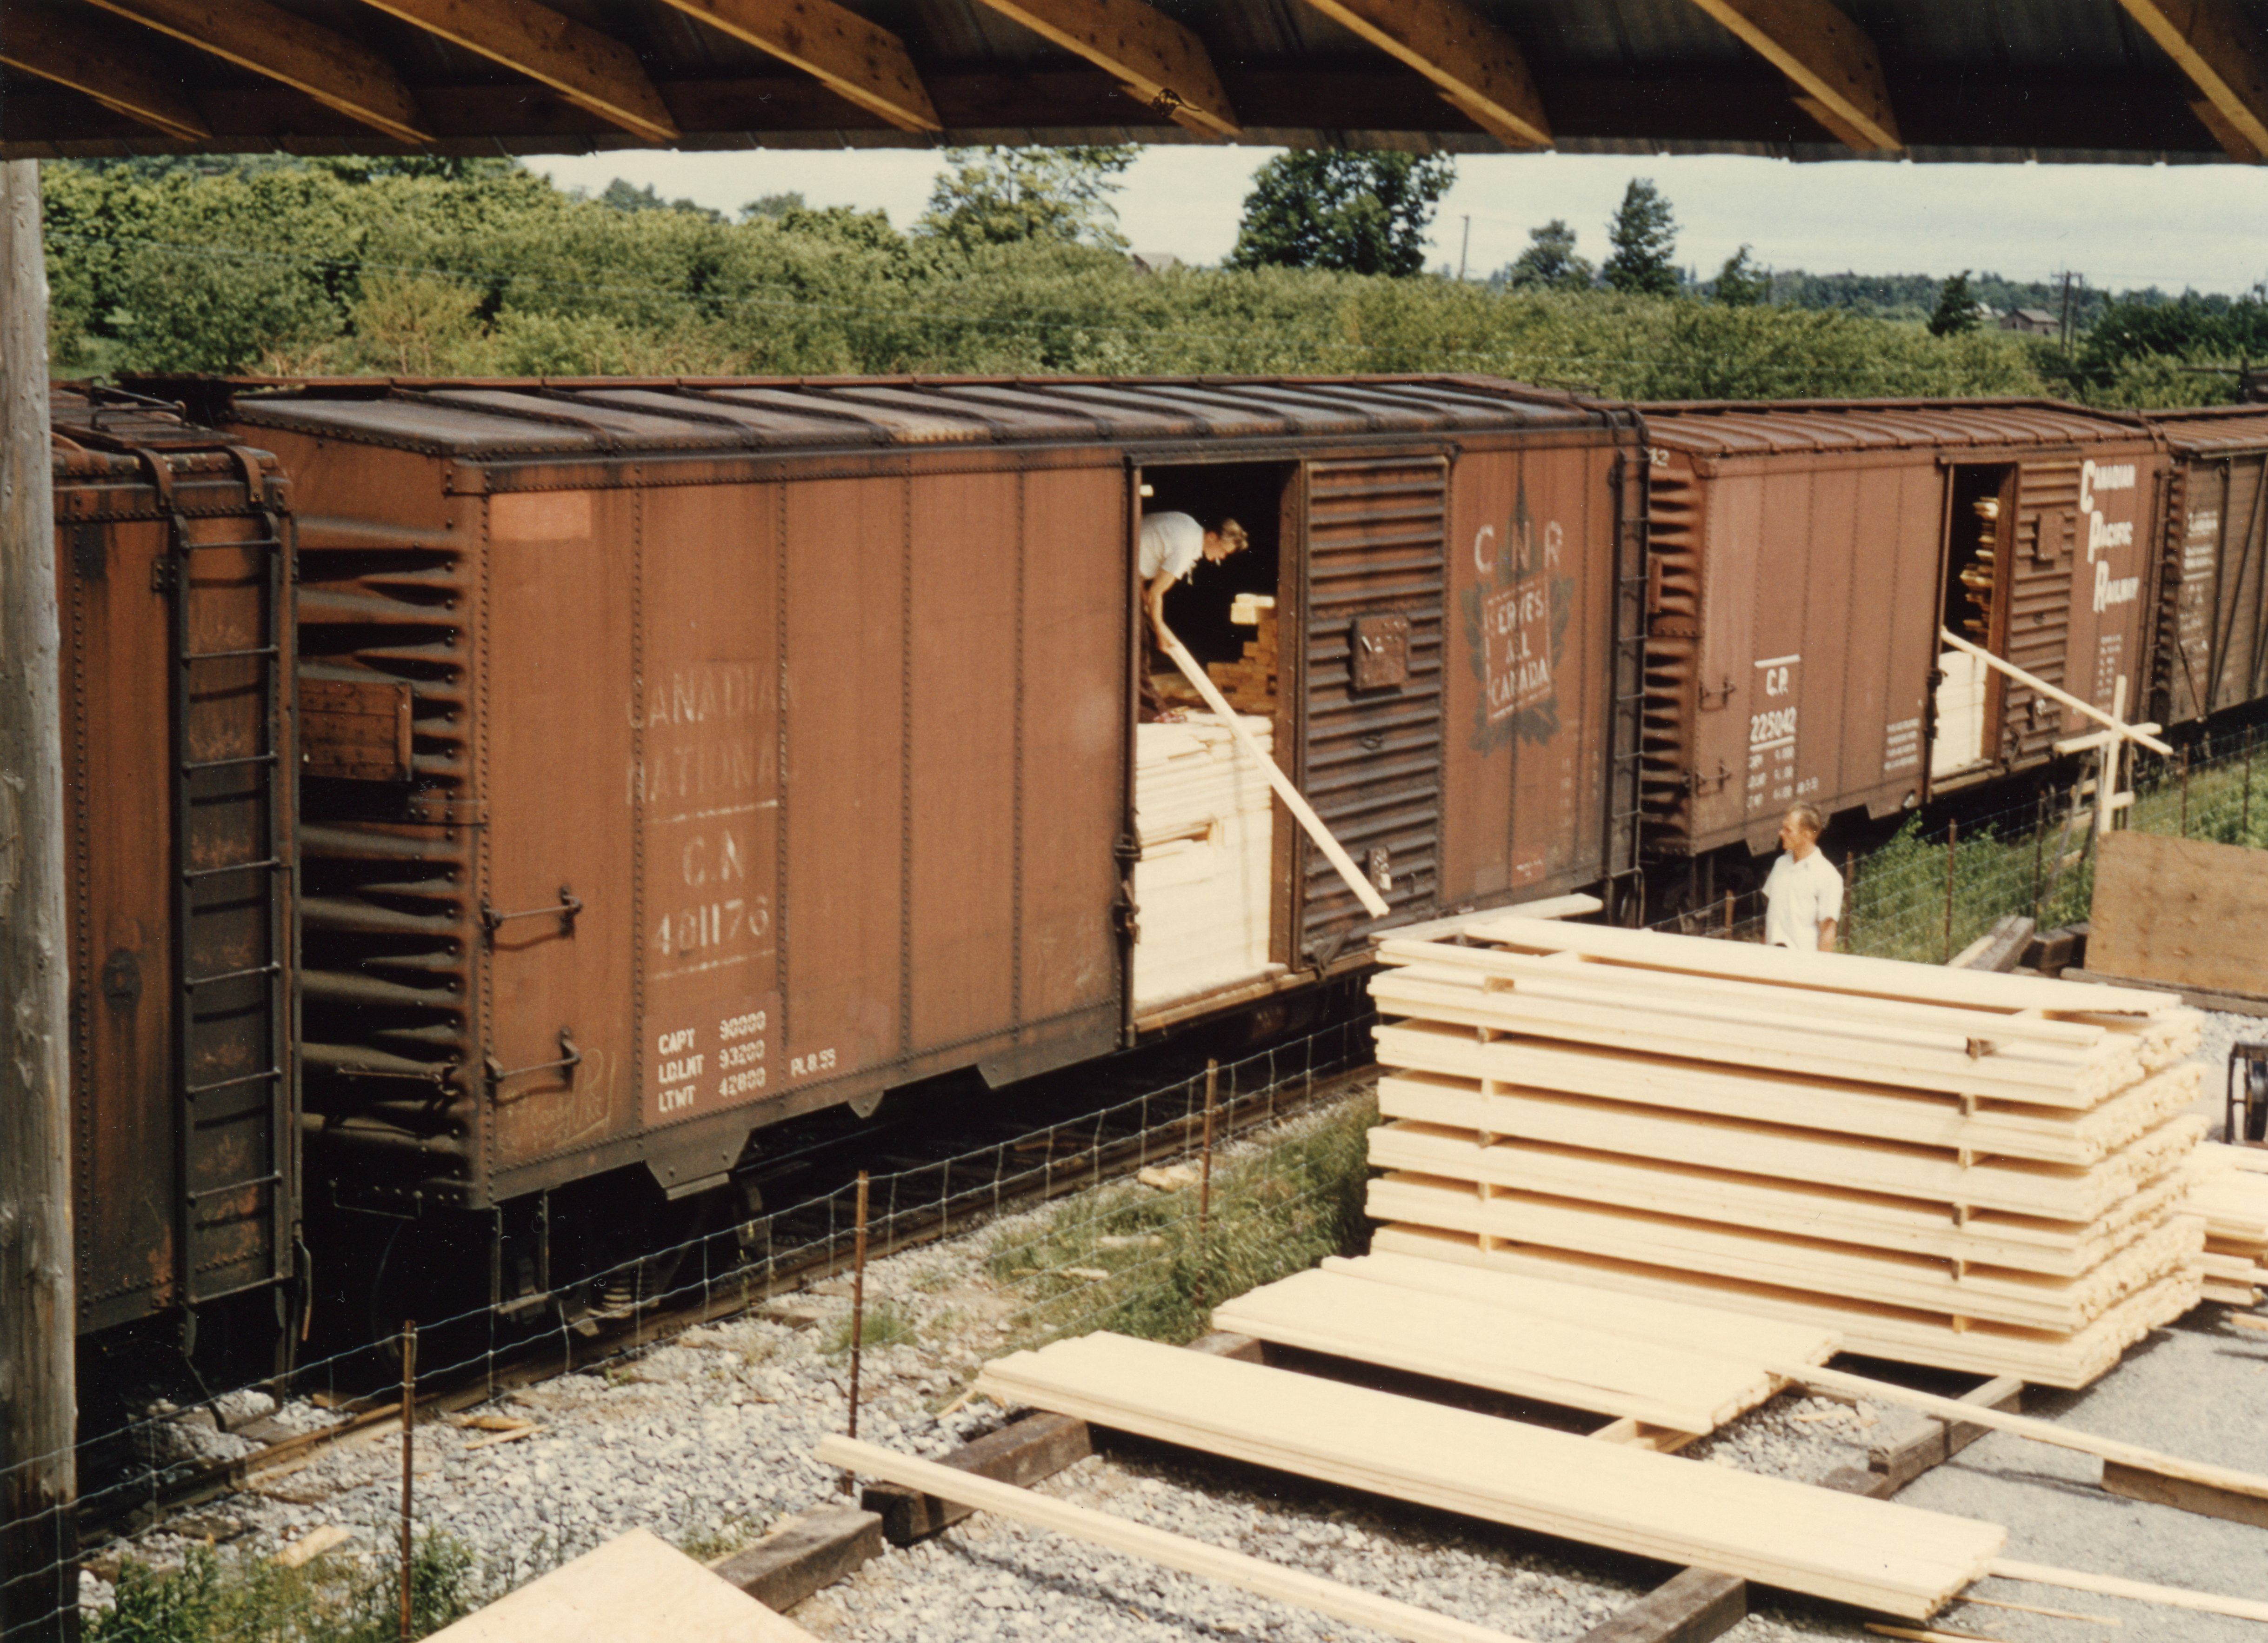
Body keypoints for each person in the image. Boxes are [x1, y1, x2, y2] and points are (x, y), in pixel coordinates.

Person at [1137, 511, 1248, 719]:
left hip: (1130, 570)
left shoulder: (1188, 525)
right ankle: (1153, 713)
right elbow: (1156, 594)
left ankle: (1153, 710)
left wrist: (1140, 590)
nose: (1222, 557)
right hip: (1120, 569)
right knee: (1139, 645)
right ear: (1213, 537)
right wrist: (1161, 634)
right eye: (1223, 551)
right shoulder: (1186, 548)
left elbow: (1146, 546)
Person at [1761, 802, 1841, 951]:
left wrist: (1817, 971)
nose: (1781, 833)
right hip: (1771, 958)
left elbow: (1828, 931)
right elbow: (1771, 919)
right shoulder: (1780, 864)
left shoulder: (1828, 876)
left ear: (1806, 835)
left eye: (1788, 830)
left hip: (1801, 964)